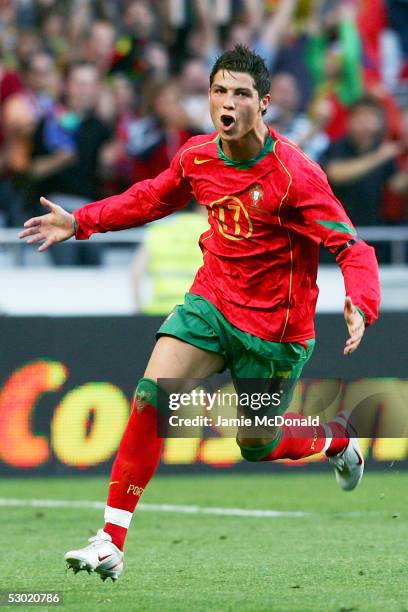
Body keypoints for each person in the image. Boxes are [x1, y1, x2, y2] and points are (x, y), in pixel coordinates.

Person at [19, 45, 380, 582]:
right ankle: (110, 540)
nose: (227, 103)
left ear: (264, 103)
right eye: (219, 91)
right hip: (211, 303)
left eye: (240, 94)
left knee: (257, 444)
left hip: (273, 334)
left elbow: (351, 246)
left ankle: (335, 438)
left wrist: (361, 302)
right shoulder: (197, 156)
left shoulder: (295, 175)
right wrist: (82, 222)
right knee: (152, 393)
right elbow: (150, 199)